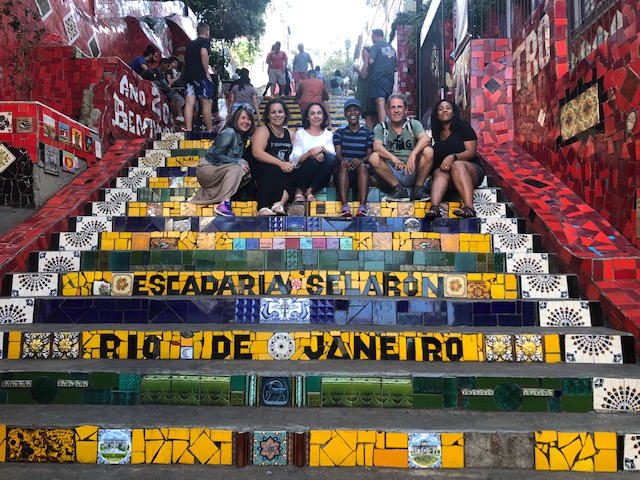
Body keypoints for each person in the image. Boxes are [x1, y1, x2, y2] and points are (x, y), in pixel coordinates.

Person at [188, 107, 255, 216]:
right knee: (236, 168)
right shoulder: (230, 132)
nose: (246, 122)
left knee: (246, 171)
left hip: (218, 168)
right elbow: (214, 155)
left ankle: (222, 197)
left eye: (249, 119)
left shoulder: (242, 138)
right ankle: (224, 204)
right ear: (236, 119)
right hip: (208, 167)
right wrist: (238, 161)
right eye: (243, 118)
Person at [425, 99, 485, 219]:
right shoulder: (437, 133)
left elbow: (471, 152)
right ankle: (435, 208)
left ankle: (469, 208)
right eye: (440, 109)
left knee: (456, 165)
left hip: (470, 171)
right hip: (449, 177)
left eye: (448, 108)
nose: (444, 111)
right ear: (437, 114)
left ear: (453, 112)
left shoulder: (464, 128)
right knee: (439, 172)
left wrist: (453, 157)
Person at [369, 93, 433, 202]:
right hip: (390, 173)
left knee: (428, 151)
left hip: (410, 170)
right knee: (374, 157)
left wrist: (413, 154)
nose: (396, 110)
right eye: (393, 107)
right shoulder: (381, 127)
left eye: (399, 107)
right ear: (388, 111)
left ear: (405, 110)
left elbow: (425, 139)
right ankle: (399, 190)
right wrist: (393, 158)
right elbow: (376, 146)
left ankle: (418, 189)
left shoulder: (413, 124)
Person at [250, 98, 297, 216]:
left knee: (297, 172)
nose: (277, 115)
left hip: (283, 171)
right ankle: (263, 207)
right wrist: (281, 164)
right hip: (263, 170)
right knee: (272, 169)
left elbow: (297, 154)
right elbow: (257, 153)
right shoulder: (263, 130)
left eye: (280, 112)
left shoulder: (290, 134)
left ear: (285, 114)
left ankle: (279, 204)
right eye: (273, 112)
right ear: (268, 115)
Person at [333, 99, 373, 217]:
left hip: (361, 172)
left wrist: (362, 160)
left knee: (362, 166)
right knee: (343, 166)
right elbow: (338, 154)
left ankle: (362, 207)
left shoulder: (368, 133)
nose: (353, 113)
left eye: (355, 110)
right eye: (349, 111)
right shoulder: (339, 133)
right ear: (345, 114)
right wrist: (343, 160)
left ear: (360, 113)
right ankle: (345, 207)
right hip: (345, 170)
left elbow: (370, 155)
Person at [291, 102, 337, 201]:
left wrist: (322, 149)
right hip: (304, 172)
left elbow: (333, 154)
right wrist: (311, 153)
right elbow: (295, 159)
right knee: (315, 160)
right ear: (307, 117)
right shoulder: (300, 133)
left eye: (319, 113)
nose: (316, 116)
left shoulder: (328, 134)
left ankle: (310, 190)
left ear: (323, 116)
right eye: (312, 114)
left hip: (321, 177)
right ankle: (300, 190)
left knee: (330, 158)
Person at [183, 23, 214, 132]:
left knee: (189, 103)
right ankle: (210, 130)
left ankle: (188, 129)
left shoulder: (190, 44)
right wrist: (206, 72)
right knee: (205, 102)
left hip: (188, 76)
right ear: (206, 32)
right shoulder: (205, 41)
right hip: (200, 76)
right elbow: (203, 53)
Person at [369, 29, 397, 123]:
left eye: (372, 36)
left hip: (378, 77)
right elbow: (396, 68)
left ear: (376, 35)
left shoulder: (375, 46)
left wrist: (369, 68)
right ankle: (394, 125)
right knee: (387, 105)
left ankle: (383, 129)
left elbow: (371, 61)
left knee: (380, 104)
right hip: (389, 79)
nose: (372, 39)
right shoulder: (392, 48)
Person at [353, 46, 377, 130]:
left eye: (363, 52)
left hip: (367, 95)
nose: (362, 55)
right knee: (373, 117)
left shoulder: (367, 62)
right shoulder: (373, 63)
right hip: (371, 94)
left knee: (368, 116)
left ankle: (370, 137)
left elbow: (364, 75)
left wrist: (356, 70)